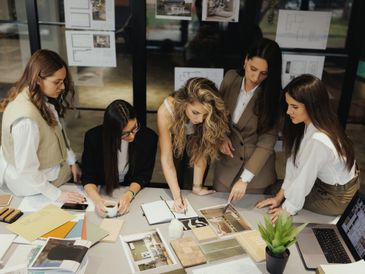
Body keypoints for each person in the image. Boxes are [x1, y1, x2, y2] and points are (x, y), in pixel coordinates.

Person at [256, 74, 359, 222]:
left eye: (294, 107)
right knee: (278, 190)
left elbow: (303, 178)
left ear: (312, 105)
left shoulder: (319, 139)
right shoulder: (317, 122)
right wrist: (279, 197)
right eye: (288, 105)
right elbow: (294, 163)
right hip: (331, 184)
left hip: (336, 197)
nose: (288, 111)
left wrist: (286, 209)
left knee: (277, 190)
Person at [0, 49, 84, 203]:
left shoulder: (38, 100)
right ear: (38, 79)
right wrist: (58, 195)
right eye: (57, 82)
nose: (63, 87)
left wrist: (72, 161)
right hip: (35, 189)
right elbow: (27, 169)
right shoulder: (26, 120)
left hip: (54, 175)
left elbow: (58, 133)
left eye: (63, 81)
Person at [213, 38, 282, 203]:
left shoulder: (274, 97)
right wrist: (221, 136)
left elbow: (266, 143)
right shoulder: (230, 78)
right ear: (245, 60)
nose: (256, 77)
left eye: (264, 73)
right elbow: (217, 115)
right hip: (225, 167)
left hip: (255, 175)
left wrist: (245, 179)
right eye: (253, 69)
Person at [157, 77, 229, 212]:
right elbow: (166, 160)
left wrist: (197, 187)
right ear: (185, 102)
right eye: (195, 112)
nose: (200, 119)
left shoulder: (205, 119)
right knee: (176, 181)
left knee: (192, 187)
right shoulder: (166, 111)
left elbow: (201, 150)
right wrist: (177, 198)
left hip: (195, 142)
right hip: (175, 140)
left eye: (205, 114)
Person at [82, 100, 157, 217]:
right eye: (125, 134)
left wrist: (128, 195)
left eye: (135, 128)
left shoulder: (148, 137)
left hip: (133, 189)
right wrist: (97, 200)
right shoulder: (93, 138)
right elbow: (88, 176)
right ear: (112, 132)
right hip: (103, 189)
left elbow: (144, 175)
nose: (132, 136)